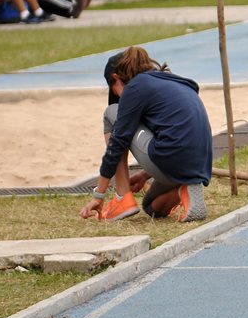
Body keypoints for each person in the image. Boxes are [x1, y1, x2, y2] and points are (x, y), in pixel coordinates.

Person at [79, 47, 212, 223]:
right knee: (152, 207)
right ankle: (185, 189)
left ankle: (122, 197)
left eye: (115, 91)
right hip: (199, 164)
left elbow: (117, 143)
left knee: (112, 114)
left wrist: (98, 195)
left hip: (174, 159)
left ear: (116, 78)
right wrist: (144, 175)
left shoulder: (135, 87)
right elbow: (175, 133)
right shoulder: (172, 81)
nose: (121, 99)